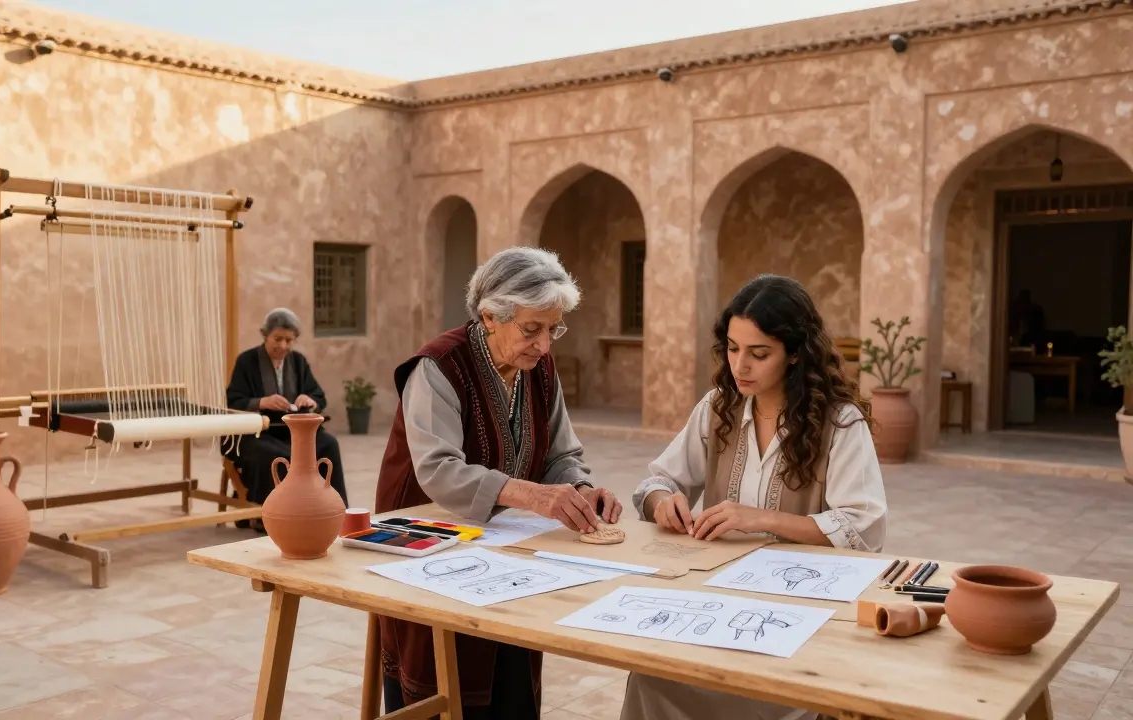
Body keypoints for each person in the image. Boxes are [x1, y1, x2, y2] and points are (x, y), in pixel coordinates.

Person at [620, 274, 887, 720]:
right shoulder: (717, 408)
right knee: (650, 677)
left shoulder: (840, 423)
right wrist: (663, 501)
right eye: (732, 348)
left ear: (796, 353)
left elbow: (863, 528)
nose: (740, 365)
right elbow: (656, 482)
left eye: (759, 353)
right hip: (716, 602)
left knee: (790, 704)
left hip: (801, 617)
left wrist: (763, 519)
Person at [374, 246, 623, 720]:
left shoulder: (539, 368)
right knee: (442, 670)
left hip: (501, 550)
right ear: (490, 316)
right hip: (427, 545)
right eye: (532, 329)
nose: (545, 345)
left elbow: (560, 455)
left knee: (509, 662)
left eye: (554, 329)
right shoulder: (438, 368)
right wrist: (531, 494)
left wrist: (579, 490)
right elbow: (439, 469)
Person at [225, 308, 348, 525]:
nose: (283, 346)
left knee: (328, 444)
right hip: (256, 434)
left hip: (292, 432)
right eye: (278, 339)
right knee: (278, 455)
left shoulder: (298, 361)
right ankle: (275, 518)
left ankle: (332, 510)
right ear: (265, 335)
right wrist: (261, 402)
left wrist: (310, 400)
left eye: (289, 340)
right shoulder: (247, 361)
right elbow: (233, 401)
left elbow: (319, 396)